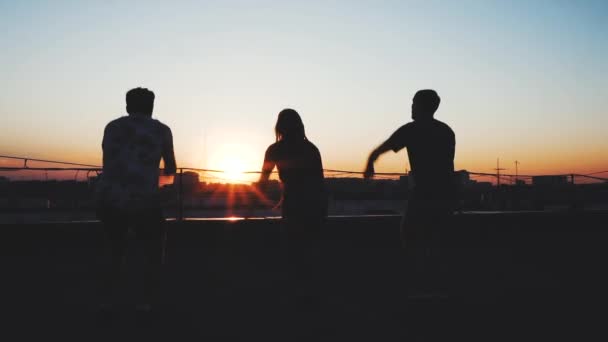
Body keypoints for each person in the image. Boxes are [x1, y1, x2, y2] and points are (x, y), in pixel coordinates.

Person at [95, 87, 176, 314]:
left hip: (110, 198)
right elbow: (170, 168)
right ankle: (146, 302)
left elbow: (108, 159)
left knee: (114, 250)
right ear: (151, 106)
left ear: (128, 106)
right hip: (145, 200)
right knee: (152, 252)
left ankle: (108, 300)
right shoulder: (161, 130)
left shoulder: (111, 127)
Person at [364, 89, 455, 291]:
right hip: (446, 195)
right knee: (437, 239)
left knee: (410, 234)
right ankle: (438, 284)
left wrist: (370, 161)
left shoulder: (412, 130)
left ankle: (419, 280)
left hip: (424, 193)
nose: (411, 107)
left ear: (420, 106)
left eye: (413, 103)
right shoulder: (446, 131)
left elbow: (384, 147)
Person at [258, 108, 327, 312]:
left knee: (294, 251)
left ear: (279, 127)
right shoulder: (311, 149)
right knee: (309, 251)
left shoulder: (274, 150)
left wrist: (253, 203)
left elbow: (262, 182)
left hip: (293, 205)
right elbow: (319, 183)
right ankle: (309, 297)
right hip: (314, 205)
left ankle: (295, 297)